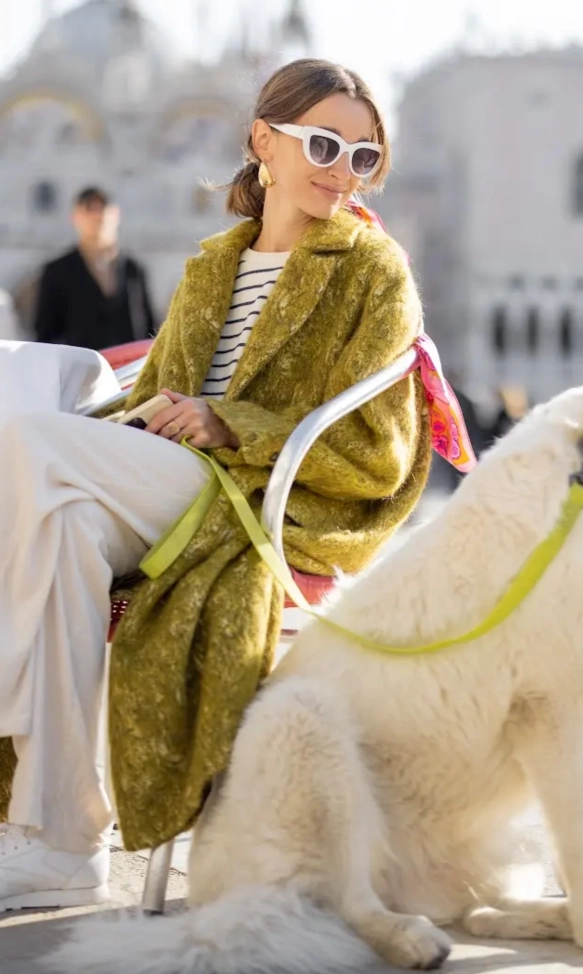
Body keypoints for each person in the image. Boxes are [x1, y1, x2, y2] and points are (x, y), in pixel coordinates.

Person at [0, 59, 430, 910]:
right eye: (322, 143)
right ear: (262, 141)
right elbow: (151, 389)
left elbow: (379, 452)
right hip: (166, 479)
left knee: (29, 453)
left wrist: (233, 423)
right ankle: (63, 841)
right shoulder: (208, 267)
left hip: (268, 497)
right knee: (63, 530)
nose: (343, 169)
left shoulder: (373, 270)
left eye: (364, 156)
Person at [33, 186, 156, 350]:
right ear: (75, 217)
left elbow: (149, 327)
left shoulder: (134, 270)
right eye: (89, 208)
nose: (97, 215)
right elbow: (45, 334)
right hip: (81, 370)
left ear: (116, 214)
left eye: (103, 208)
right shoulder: (57, 271)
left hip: (128, 370)